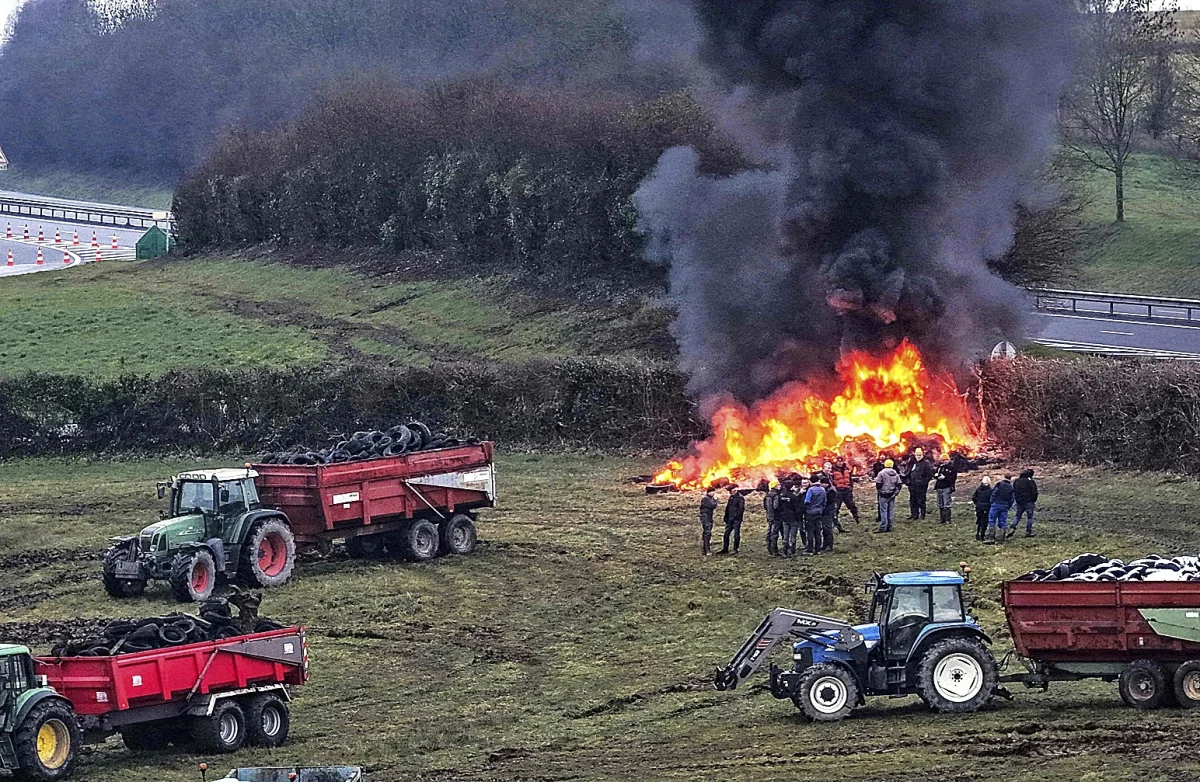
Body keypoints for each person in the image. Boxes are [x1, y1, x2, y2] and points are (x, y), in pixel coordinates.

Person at [830, 456, 861, 526]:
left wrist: (850, 487)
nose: (840, 463)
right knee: (836, 507)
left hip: (847, 491)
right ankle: (836, 523)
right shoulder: (832, 470)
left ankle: (856, 519)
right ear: (836, 462)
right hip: (838, 492)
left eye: (841, 461)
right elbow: (831, 481)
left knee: (852, 505)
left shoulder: (847, 469)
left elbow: (850, 479)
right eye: (838, 461)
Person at [986, 474, 1015, 544]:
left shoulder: (999, 484)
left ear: (1004, 477)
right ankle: (1001, 538)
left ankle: (991, 537)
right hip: (1005, 506)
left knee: (992, 520)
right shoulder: (1011, 487)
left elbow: (994, 493)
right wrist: (1008, 506)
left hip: (996, 504)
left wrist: (992, 501)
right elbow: (1012, 499)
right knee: (1003, 522)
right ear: (1010, 479)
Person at [874, 459, 902, 533]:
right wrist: (895, 493)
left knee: (883, 511)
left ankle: (883, 527)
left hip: (883, 495)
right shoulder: (895, 473)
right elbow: (899, 484)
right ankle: (889, 527)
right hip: (892, 495)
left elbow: (878, 484)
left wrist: (880, 491)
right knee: (890, 511)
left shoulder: (881, 473)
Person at [777, 481, 802, 558]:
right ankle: (792, 551)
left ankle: (785, 551)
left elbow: (779, 507)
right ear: (792, 486)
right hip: (793, 518)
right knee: (793, 535)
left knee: (785, 535)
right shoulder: (793, 496)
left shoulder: (781, 495)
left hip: (784, 518)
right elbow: (797, 508)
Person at [1012, 469, 1039, 538]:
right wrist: (1033, 500)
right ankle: (1028, 531)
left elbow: (1014, 491)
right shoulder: (1030, 481)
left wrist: (1017, 499)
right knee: (1030, 517)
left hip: (1020, 502)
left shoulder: (1017, 481)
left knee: (1018, 516)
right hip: (1029, 501)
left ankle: (1012, 527)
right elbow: (1034, 492)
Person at [804, 477, 827, 555]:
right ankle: (818, 549)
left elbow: (807, 501)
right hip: (819, 512)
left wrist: (807, 508)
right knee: (817, 531)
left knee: (810, 531)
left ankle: (810, 550)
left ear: (810, 481)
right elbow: (824, 501)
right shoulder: (823, 490)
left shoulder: (810, 490)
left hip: (810, 513)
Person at [908, 448, 934, 520]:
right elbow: (908, 472)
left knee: (921, 500)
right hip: (912, 485)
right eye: (917, 455)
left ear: (922, 455)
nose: (918, 456)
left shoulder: (926, 463)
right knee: (913, 500)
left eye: (920, 455)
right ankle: (914, 515)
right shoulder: (913, 463)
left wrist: (924, 482)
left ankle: (922, 515)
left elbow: (929, 474)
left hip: (921, 486)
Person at [718, 486, 745, 554]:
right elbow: (728, 508)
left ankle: (735, 549)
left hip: (736, 520)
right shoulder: (731, 497)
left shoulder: (740, 498)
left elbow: (741, 509)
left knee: (736, 534)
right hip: (730, 519)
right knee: (726, 534)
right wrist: (726, 517)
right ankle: (725, 548)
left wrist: (736, 517)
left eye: (730, 491)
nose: (729, 493)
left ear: (734, 490)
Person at [933, 454, 958, 524]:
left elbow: (953, 478)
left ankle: (948, 519)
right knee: (940, 503)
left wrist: (945, 478)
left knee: (946, 503)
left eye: (945, 460)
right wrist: (936, 476)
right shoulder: (939, 467)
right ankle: (942, 519)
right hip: (939, 487)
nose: (944, 461)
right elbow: (935, 473)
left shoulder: (952, 467)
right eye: (943, 460)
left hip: (947, 487)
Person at [819, 477, 838, 552]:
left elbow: (828, 501)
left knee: (827, 529)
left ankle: (829, 545)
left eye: (822, 483)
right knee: (825, 529)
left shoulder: (831, 491)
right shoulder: (829, 489)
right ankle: (825, 544)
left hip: (828, 512)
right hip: (826, 511)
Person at [971, 476, 993, 542]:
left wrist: (977, 503)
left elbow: (973, 497)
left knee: (979, 520)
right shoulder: (990, 490)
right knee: (985, 522)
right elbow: (992, 499)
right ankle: (982, 535)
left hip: (979, 507)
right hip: (986, 507)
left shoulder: (978, 489)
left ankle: (977, 533)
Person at [699, 487, 719, 555]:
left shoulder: (709, 498)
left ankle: (706, 548)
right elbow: (712, 505)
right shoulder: (706, 499)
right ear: (708, 492)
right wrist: (716, 500)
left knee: (708, 532)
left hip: (709, 516)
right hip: (706, 517)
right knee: (707, 532)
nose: (713, 493)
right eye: (712, 492)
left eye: (714, 492)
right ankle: (707, 550)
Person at [764, 481, 781, 556]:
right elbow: (776, 506)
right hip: (776, 517)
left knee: (769, 532)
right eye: (778, 485)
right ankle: (774, 551)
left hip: (769, 516)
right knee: (774, 533)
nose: (780, 486)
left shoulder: (767, 495)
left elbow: (765, 506)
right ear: (775, 486)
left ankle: (769, 548)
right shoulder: (776, 495)